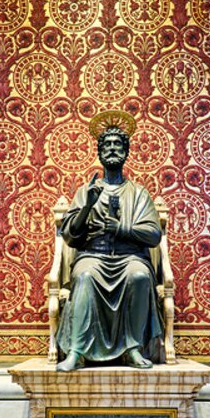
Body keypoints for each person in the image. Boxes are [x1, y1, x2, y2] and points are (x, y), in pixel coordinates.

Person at [56, 122, 164, 371]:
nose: (113, 148)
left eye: (118, 144)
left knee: (138, 276)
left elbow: (153, 234)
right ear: (100, 152)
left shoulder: (138, 193)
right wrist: (87, 207)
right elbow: (71, 236)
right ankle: (76, 351)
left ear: (126, 152)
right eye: (107, 144)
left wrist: (121, 229)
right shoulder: (86, 190)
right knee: (84, 276)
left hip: (130, 257)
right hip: (93, 255)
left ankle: (133, 348)